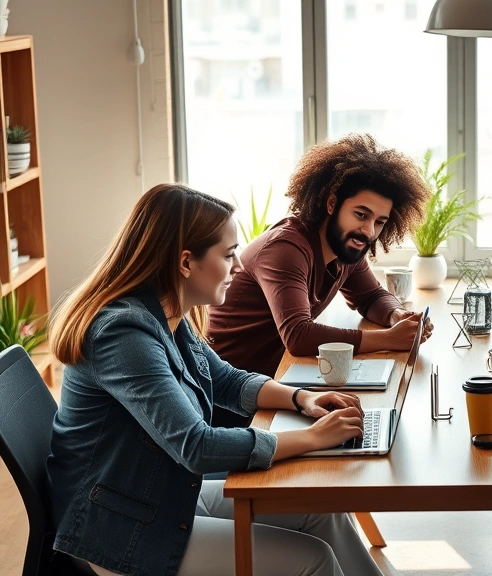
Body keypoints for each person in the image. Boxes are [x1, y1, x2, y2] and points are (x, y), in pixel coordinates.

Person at [47, 184, 381, 576]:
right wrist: (312, 438)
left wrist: (301, 399)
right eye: (228, 255)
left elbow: (224, 380)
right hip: (117, 526)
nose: (239, 266)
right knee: (313, 559)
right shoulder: (123, 334)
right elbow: (196, 446)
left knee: (325, 515)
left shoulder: (168, 312)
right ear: (186, 262)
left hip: (159, 491)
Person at [208, 133, 433, 427]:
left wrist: (396, 314)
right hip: (231, 399)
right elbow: (298, 335)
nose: (368, 231)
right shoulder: (286, 248)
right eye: (361, 214)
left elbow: (371, 297)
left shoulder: (345, 247)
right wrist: (388, 339)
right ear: (331, 204)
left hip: (277, 383)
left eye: (380, 222)